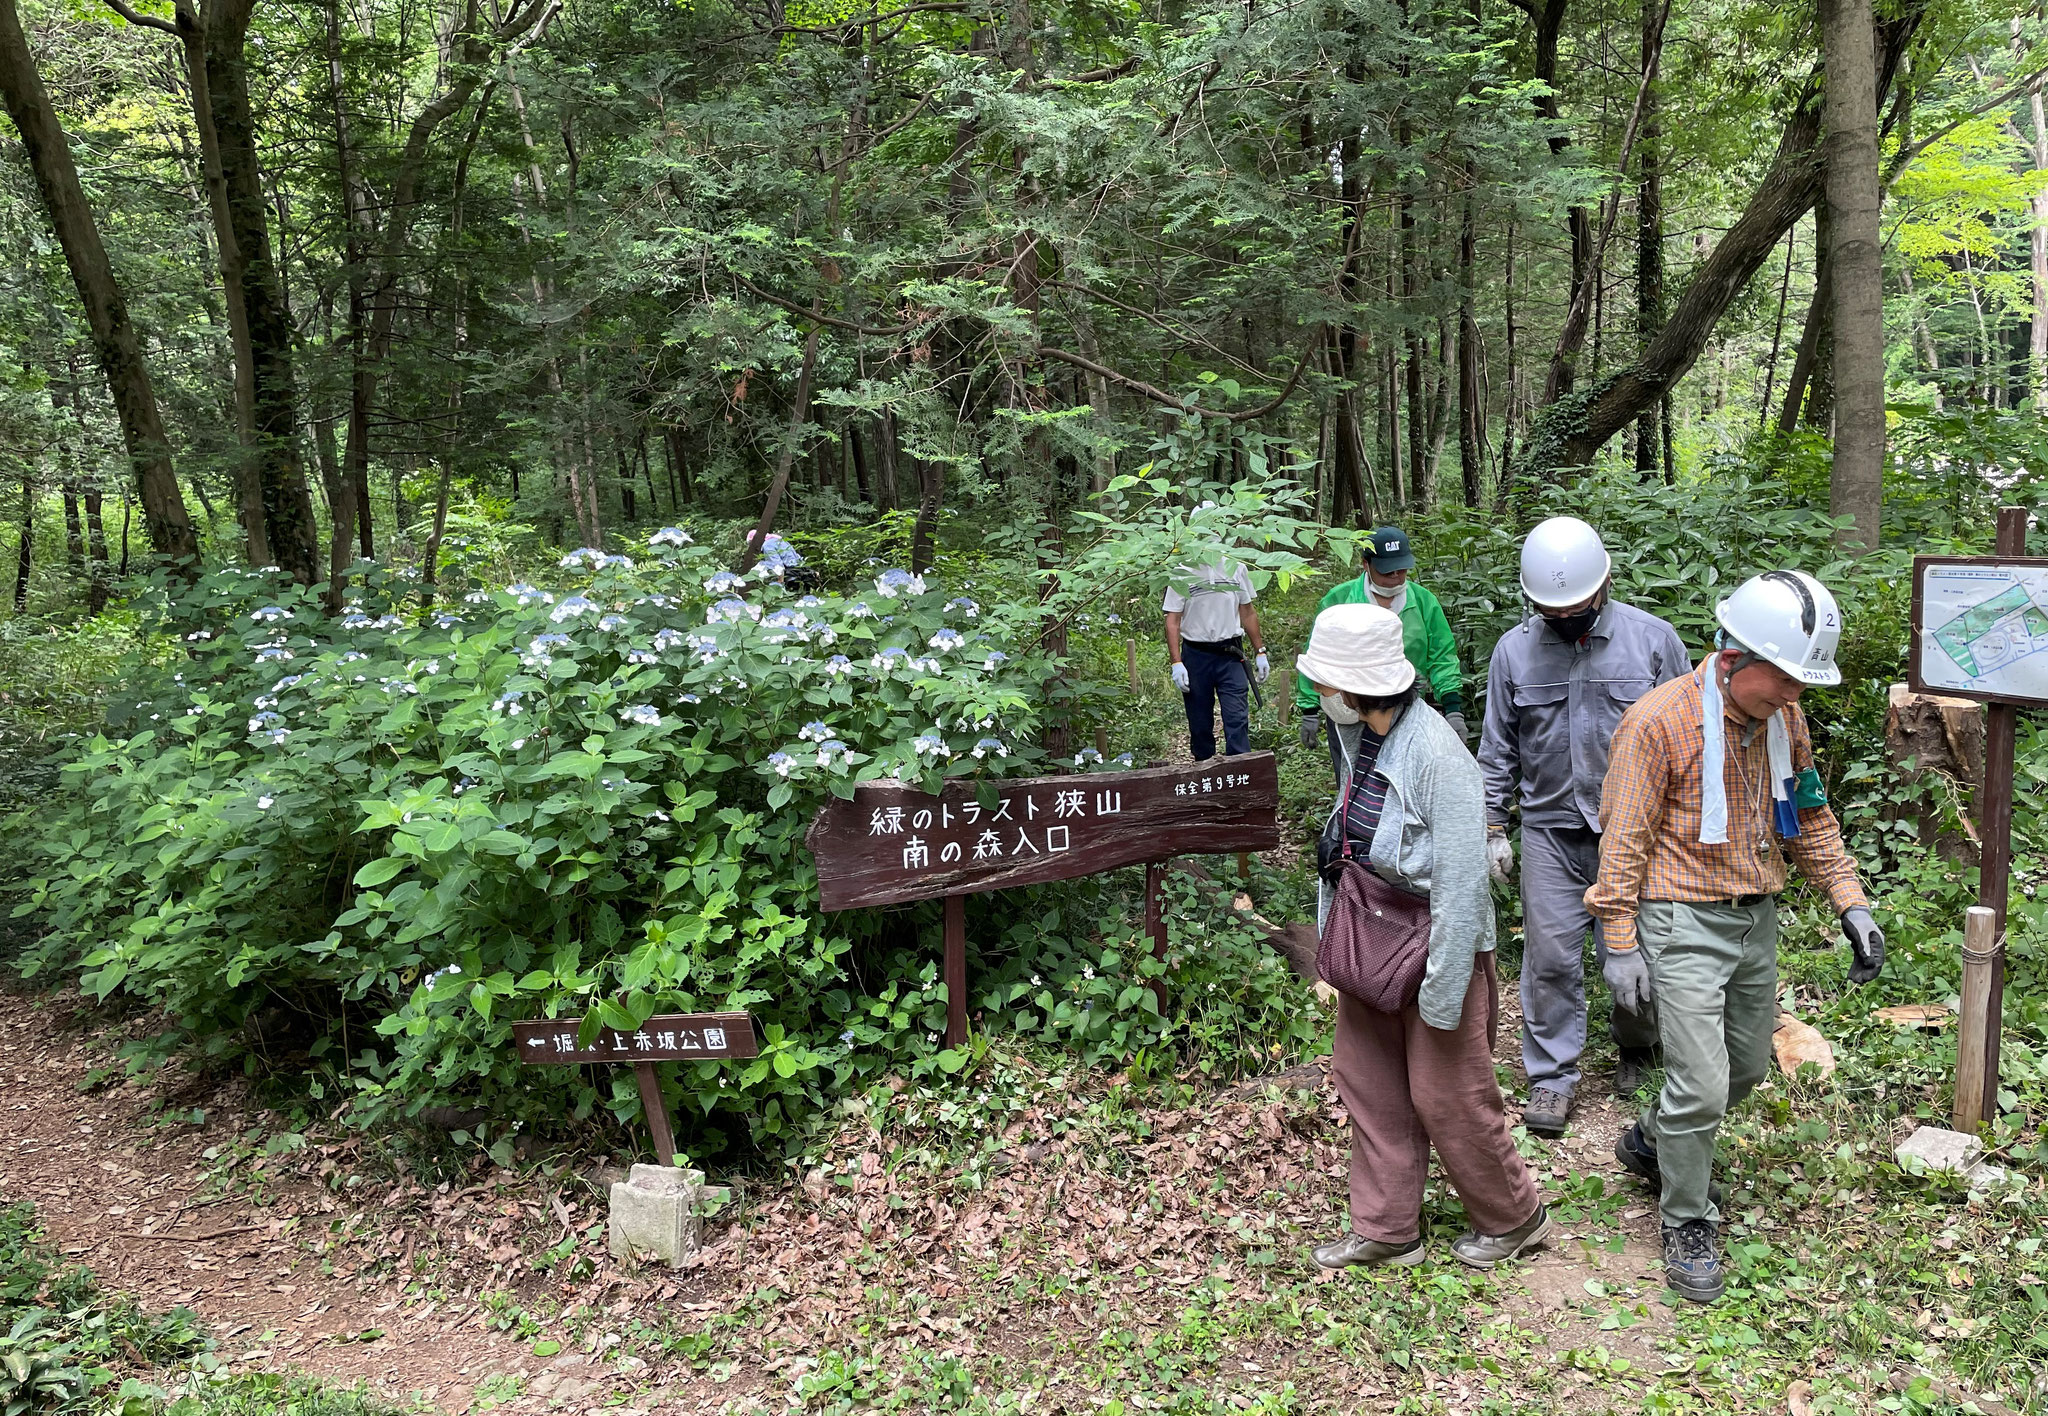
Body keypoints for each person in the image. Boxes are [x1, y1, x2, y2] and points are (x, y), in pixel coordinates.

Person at [1585, 570, 1884, 1304]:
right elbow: (1623, 842)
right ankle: (1687, 1218)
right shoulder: (1658, 725)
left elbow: (1809, 816)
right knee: (1703, 1080)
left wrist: (1851, 902)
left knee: (1746, 1067)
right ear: (1731, 659)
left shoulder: (1784, 720)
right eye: (1784, 679)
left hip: (1755, 913)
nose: (1794, 696)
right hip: (1680, 913)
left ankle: (1654, 1141)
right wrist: (1618, 939)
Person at [1298, 603, 1551, 1272]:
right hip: (1371, 935)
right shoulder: (1362, 738)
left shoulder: (1438, 751)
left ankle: (1515, 1217)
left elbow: (1465, 882)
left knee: (1449, 1093)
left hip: (1438, 941)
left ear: (1356, 688)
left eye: (1325, 684)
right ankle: (1386, 1227)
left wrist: (1444, 989)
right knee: (1369, 1080)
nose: (1319, 696)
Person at [1476, 516, 1692, 1138]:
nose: (1566, 619)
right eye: (1552, 611)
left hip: (1638, 832)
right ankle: (1551, 1078)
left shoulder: (1652, 643)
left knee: (1638, 952)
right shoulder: (1514, 652)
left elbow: (1686, 737)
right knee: (1548, 958)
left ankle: (1637, 1043)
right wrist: (1494, 827)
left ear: (1603, 587)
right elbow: (1498, 749)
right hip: (1548, 829)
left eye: (1577, 608)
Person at [1296, 527, 1467, 781]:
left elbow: (1442, 656)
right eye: (1387, 572)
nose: (1396, 578)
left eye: (1402, 570)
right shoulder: (1340, 600)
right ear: (1366, 564)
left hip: (1399, 708)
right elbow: (1319, 656)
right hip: (1347, 709)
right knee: (1351, 778)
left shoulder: (1423, 602)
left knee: (1400, 777)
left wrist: (1453, 707)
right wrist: (1309, 710)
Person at [1163, 554, 1269, 761]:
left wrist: (1260, 651)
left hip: (1230, 653)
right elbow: (1173, 620)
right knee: (1199, 721)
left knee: (1237, 717)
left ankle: (1239, 775)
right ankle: (1205, 773)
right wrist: (1177, 662)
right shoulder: (1181, 572)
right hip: (1196, 655)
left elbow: (1248, 612)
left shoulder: (1236, 568)